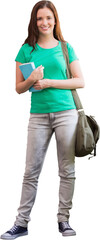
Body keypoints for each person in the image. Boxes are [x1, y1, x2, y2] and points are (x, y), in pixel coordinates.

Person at [0, 0, 85, 239]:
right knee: (30, 171)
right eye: (39, 18)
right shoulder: (26, 49)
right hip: (38, 116)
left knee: (67, 170)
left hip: (66, 113)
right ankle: (21, 223)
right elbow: (18, 88)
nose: (44, 22)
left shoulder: (66, 48)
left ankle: (64, 220)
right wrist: (32, 79)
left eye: (48, 17)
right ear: (34, 22)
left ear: (55, 20)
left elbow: (80, 81)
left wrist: (48, 82)